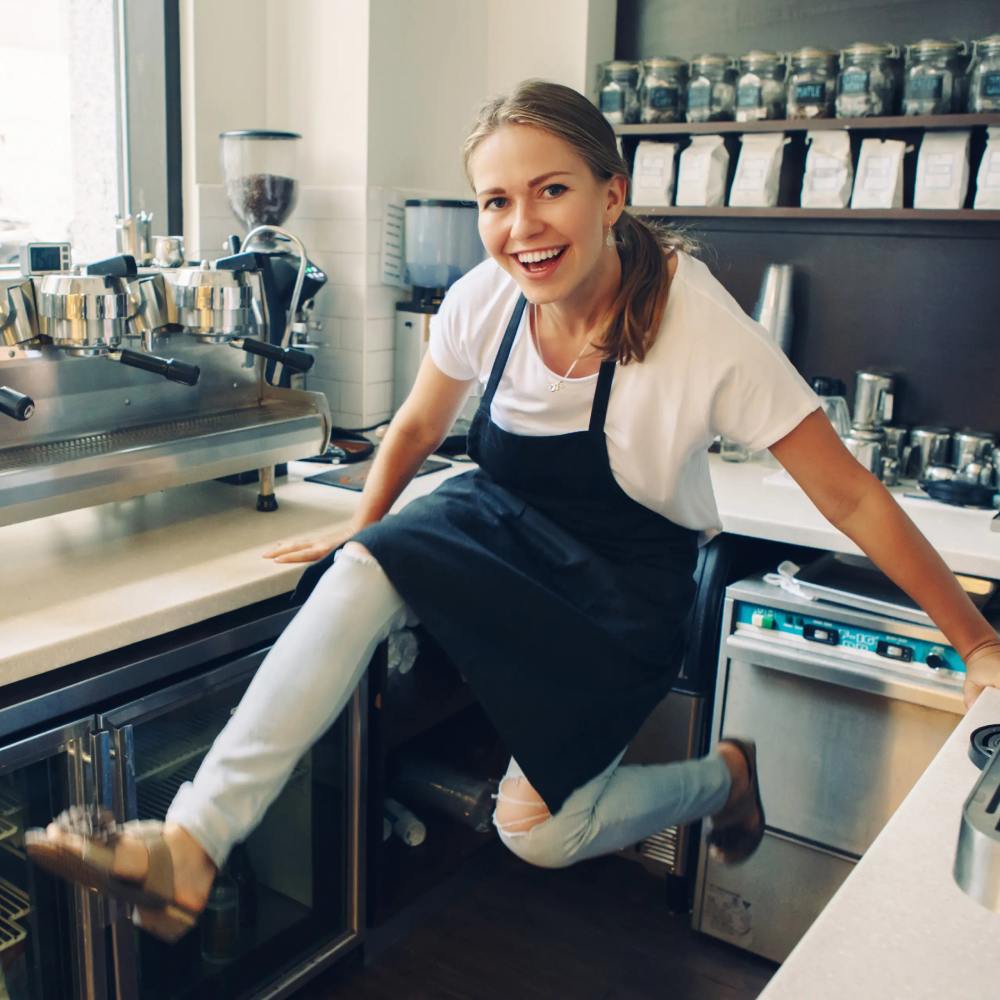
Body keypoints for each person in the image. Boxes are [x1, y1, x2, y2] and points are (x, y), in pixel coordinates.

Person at [26, 80, 1000, 941]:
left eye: (550, 189)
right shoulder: (486, 298)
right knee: (365, 567)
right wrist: (368, 522)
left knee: (535, 832)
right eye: (498, 199)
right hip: (497, 518)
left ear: (611, 193)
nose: (521, 223)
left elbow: (849, 493)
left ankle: (721, 780)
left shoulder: (698, 325)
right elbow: (413, 425)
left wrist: (973, 642)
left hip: (625, 579)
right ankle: (193, 840)